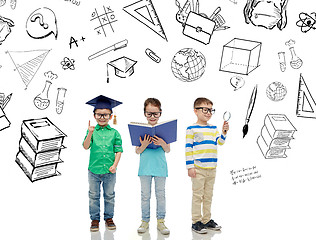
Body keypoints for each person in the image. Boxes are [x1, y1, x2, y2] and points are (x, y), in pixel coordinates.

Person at [185, 97, 229, 234]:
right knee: (198, 195)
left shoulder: (213, 128)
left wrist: (224, 133)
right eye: (205, 110)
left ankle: (206, 219)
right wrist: (190, 167)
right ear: (195, 111)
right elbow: (188, 148)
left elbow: (220, 142)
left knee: (208, 195)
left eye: (211, 110)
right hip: (198, 168)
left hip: (212, 168)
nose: (209, 113)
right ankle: (196, 221)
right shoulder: (191, 129)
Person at [83, 95, 123, 232]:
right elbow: (85, 146)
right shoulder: (92, 132)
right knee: (93, 195)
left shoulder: (115, 133)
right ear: (94, 115)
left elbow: (118, 151)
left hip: (109, 171)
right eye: (99, 115)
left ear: (111, 116)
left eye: (105, 115)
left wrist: (115, 165)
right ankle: (94, 219)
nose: (102, 117)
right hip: (93, 170)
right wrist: (89, 133)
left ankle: (109, 218)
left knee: (109, 195)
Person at [135, 98, 171, 235]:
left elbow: (168, 150)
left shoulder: (165, 130)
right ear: (144, 113)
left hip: (160, 168)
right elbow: (137, 151)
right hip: (144, 168)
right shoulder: (140, 130)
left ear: (160, 113)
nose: (152, 117)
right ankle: (145, 221)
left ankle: (161, 221)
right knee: (145, 195)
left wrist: (162, 143)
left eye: (155, 114)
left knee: (160, 195)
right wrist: (143, 145)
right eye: (149, 113)